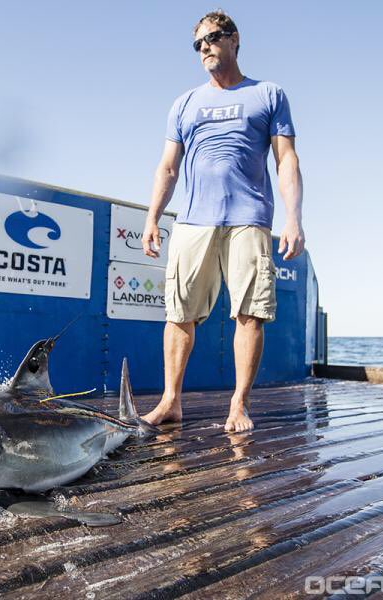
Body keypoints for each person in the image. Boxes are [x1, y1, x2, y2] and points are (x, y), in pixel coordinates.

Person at [141, 10, 305, 433]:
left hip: (249, 219)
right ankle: (170, 402)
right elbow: (167, 167)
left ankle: (238, 404)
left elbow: (286, 159)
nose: (205, 48)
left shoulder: (268, 94)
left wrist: (293, 218)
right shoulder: (184, 103)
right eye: (197, 44)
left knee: (250, 313)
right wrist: (153, 217)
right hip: (194, 221)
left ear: (234, 39)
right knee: (179, 314)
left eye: (212, 38)